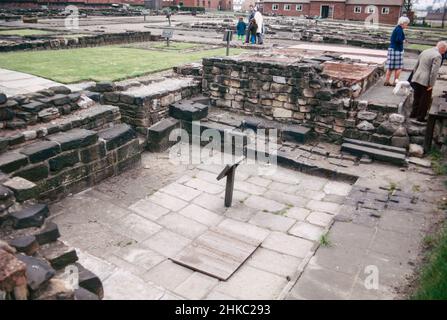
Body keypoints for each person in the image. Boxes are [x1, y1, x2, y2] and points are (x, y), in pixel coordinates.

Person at [410, 41, 447, 122]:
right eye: (444, 50)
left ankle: (413, 113)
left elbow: (416, 65)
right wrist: (431, 84)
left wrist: (414, 76)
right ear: (442, 48)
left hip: (417, 77)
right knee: (425, 100)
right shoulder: (438, 56)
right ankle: (420, 117)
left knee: (417, 97)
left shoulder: (425, 51)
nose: (444, 52)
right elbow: (434, 72)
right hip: (426, 80)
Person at [384, 16, 410, 86]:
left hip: (392, 49)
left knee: (390, 67)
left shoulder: (397, 28)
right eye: (406, 24)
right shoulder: (399, 29)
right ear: (403, 23)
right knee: (398, 67)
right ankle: (395, 83)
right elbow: (398, 40)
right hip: (397, 50)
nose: (407, 25)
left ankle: (386, 81)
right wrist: (403, 41)